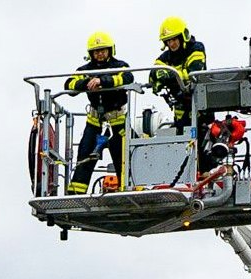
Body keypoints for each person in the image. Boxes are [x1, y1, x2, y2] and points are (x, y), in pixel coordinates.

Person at [64, 32, 134, 194]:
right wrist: (87, 83)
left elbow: (128, 77)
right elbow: (69, 84)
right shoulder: (85, 70)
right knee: (84, 157)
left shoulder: (120, 66)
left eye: (102, 50)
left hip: (118, 122)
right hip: (94, 122)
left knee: (123, 158)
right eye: (96, 51)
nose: (99, 54)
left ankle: (127, 191)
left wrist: (103, 81)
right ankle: (76, 194)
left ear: (110, 50)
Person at [151, 17, 206, 130]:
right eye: (168, 41)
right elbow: (153, 72)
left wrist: (170, 75)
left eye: (174, 39)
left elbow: (193, 73)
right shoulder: (166, 57)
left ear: (182, 37)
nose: (171, 44)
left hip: (201, 111)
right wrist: (158, 80)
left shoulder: (196, 49)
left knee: (203, 138)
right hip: (180, 113)